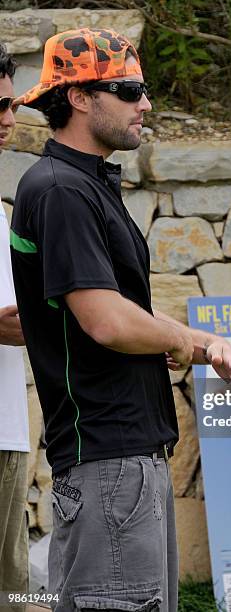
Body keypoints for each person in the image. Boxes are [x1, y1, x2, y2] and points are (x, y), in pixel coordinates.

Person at [11, 28, 231, 612]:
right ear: (81, 98)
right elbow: (107, 321)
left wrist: (198, 338)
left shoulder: (81, 182)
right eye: (129, 89)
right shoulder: (61, 188)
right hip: (107, 462)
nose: (146, 104)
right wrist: (187, 339)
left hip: (123, 459)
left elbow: (121, 306)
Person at [0, 43, 30, 607]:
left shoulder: (1, 212)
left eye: (10, 106)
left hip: (8, 433)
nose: (6, 120)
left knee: (13, 592)